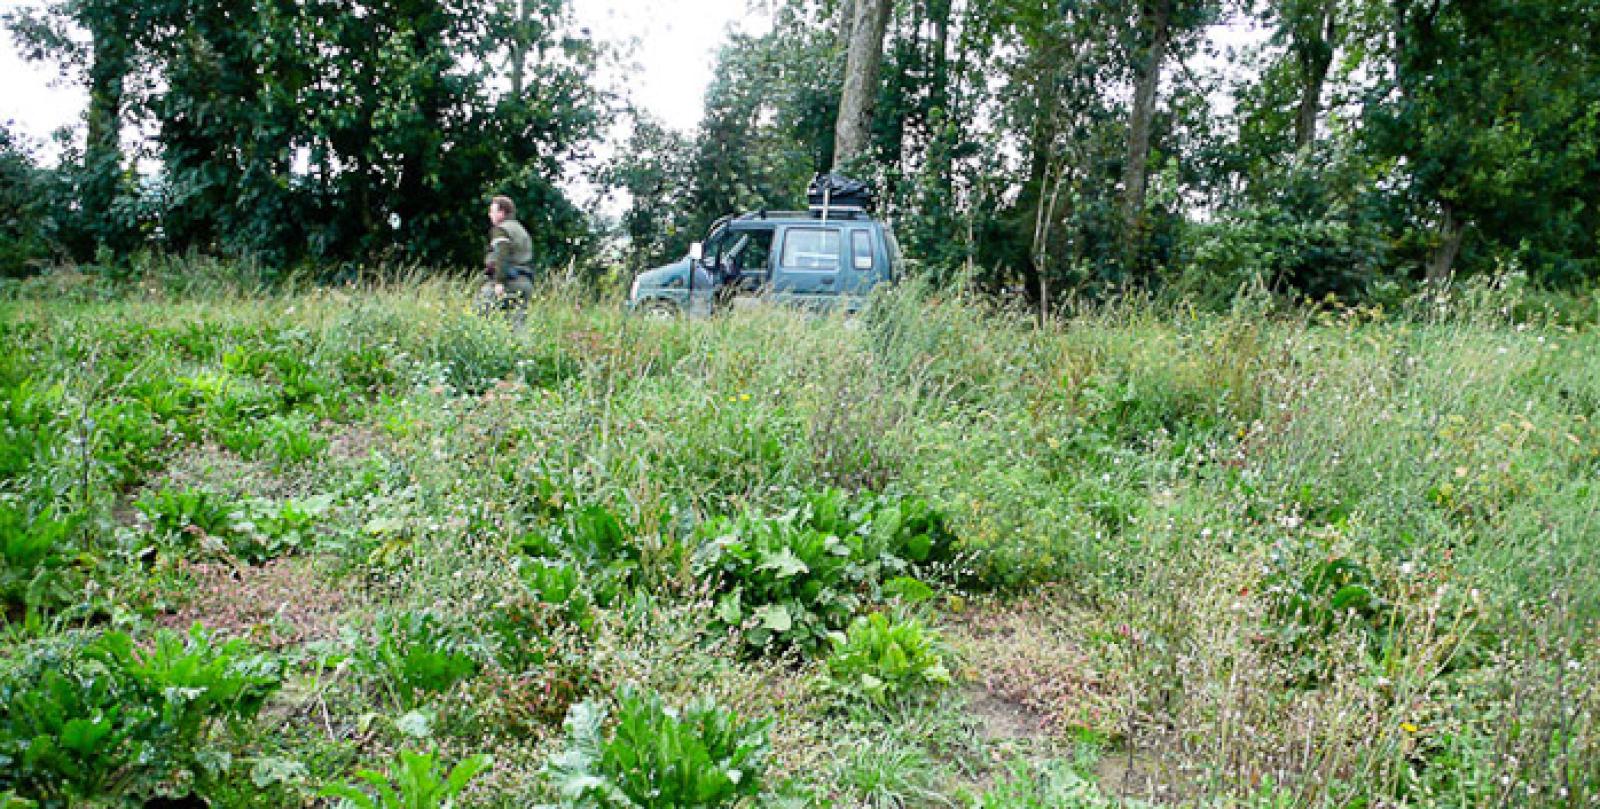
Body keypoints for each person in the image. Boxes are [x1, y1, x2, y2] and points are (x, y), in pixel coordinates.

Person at [478, 195, 536, 325]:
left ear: (501, 212)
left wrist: (499, 282)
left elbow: (501, 255)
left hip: (509, 281)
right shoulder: (522, 230)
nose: (489, 215)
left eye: (492, 211)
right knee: (517, 325)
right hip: (525, 283)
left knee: (481, 312)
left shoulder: (501, 229)